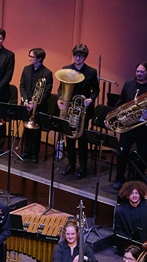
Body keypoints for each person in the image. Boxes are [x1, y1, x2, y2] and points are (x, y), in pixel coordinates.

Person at [112, 62, 147, 189]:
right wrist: (117, 113)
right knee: (121, 153)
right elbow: (121, 101)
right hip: (128, 127)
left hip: (143, 128)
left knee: (142, 156)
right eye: (137, 71)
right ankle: (119, 179)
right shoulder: (129, 84)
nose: (139, 74)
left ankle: (139, 182)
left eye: (142, 72)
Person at [57, 45, 100, 177]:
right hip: (70, 107)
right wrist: (59, 99)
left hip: (84, 110)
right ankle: (71, 164)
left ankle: (83, 167)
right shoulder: (66, 69)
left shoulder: (91, 72)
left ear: (85, 57)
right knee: (69, 137)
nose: (77, 58)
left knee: (82, 139)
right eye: (75, 55)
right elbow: (60, 88)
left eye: (80, 56)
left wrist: (91, 99)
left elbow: (96, 90)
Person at [17, 48, 55, 162]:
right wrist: (25, 99)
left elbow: (46, 92)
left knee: (36, 131)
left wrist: (35, 104)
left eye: (32, 57)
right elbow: (22, 85)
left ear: (39, 59)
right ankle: (26, 151)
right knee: (27, 130)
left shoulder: (47, 73)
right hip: (26, 103)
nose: (29, 58)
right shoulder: (26, 69)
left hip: (39, 107)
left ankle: (34, 154)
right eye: (29, 56)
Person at [111, 181, 147, 248]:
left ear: (140, 194)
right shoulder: (120, 210)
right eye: (131, 193)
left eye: (137, 193)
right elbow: (118, 230)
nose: (134, 196)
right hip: (129, 246)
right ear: (127, 195)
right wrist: (130, 242)